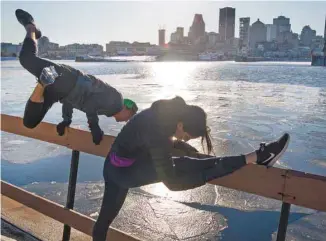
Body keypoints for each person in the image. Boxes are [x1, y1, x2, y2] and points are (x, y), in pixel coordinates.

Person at [92, 96, 290, 240]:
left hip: (115, 165)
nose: (183, 139)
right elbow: (172, 183)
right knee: (184, 167)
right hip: (123, 172)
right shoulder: (157, 129)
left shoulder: (164, 115)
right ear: (180, 125)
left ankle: (256, 156)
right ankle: (256, 156)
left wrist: (186, 149)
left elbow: (159, 142)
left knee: (103, 222)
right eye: (185, 136)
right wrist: (206, 176)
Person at [15, 9, 138, 145]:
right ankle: (31, 28)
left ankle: (42, 84)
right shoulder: (116, 100)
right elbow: (91, 104)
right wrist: (94, 127)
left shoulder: (108, 109)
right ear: (127, 109)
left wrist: (66, 120)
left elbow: (72, 100)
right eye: (130, 117)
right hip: (67, 78)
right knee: (27, 59)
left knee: (30, 122)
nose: (127, 120)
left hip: (61, 92)